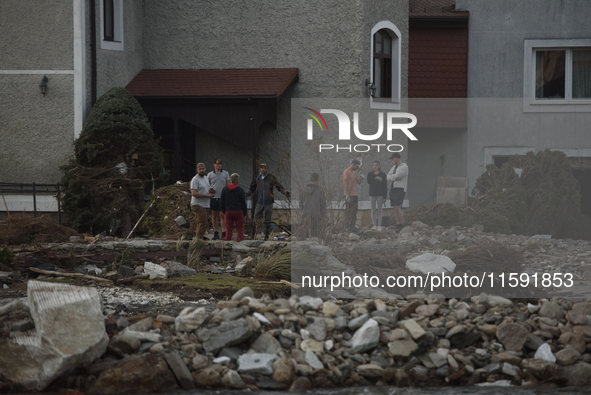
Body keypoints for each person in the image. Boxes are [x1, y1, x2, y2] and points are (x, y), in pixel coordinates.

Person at [246, 163, 290, 241]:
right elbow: (251, 188)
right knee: (256, 218)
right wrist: (246, 194)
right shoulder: (257, 178)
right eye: (262, 168)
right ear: (260, 169)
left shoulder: (271, 178)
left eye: (264, 168)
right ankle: (254, 234)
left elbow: (278, 187)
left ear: (267, 169)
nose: (263, 169)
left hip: (268, 201)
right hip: (260, 201)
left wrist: (285, 192)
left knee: (268, 220)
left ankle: (266, 236)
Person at [207, 158, 230, 240]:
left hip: (222, 197)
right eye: (217, 164)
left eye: (220, 164)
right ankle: (215, 232)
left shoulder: (225, 173)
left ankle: (224, 232)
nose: (219, 165)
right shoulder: (210, 174)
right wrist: (211, 190)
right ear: (214, 164)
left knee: (222, 215)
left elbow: (228, 185)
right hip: (213, 197)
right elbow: (207, 186)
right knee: (214, 214)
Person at [190, 162, 214, 240]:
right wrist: (206, 196)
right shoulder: (195, 179)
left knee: (202, 223)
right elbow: (193, 193)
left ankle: (199, 238)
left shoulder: (206, 178)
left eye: (202, 169)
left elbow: (207, 189)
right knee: (203, 223)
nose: (201, 170)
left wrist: (212, 191)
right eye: (199, 169)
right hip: (198, 204)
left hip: (206, 204)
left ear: (205, 169)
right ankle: (198, 239)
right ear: (197, 170)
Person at [220, 173, 247, 242]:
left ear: (230, 180)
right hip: (239, 211)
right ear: (237, 181)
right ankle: (240, 243)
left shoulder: (225, 189)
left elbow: (222, 202)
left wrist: (224, 210)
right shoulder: (240, 190)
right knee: (240, 229)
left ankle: (227, 243)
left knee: (228, 228)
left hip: (228, 211)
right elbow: (243, 202)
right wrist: (245, 213)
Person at [299, 172, 326, 238]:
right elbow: (322, 204)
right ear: (318, 180)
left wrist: (303, 209)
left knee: (305, 234)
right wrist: (323, 214)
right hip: (316, 214)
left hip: (305, 214)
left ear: (311, 179)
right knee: (315, 234)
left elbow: (301, 202)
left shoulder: (303, 189)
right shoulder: (320, 190)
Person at [386, 153, 408, 232]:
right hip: (393, 188)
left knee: (398, 207)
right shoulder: (394, 167)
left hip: (400, 188)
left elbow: (398, 176)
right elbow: (388, 176)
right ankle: (398, 224)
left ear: (396, 158)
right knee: (395, 208)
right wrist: (394, 177)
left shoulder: (404, 167)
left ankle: (401, 224)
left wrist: (393, 177)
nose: (392, 161)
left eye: (392, 159)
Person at [343, 159, 364, 232]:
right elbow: (345, 183)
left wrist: (361, 177)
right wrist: (347, 195)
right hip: (349, 195)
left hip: (355, 195)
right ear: (353, 164)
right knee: (349, 212)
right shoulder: (346, 171)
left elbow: (358, 182)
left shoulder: (354, 173)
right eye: (357, 166)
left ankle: (352, 227)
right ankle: (348, 227)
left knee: (354, 212)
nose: (357, 168)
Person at [367, 161, 387, 231]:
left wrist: (385, 197)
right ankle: (374, 225)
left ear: (379, 166)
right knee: (373, 210)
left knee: (379, 210)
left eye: (376, 165)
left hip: (380, 195)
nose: (375, 166)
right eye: (373, 165)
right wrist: (374, 174)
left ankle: (379, 225)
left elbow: (385, 186)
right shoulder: (370, 174)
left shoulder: (383, 175)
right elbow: (369, 181)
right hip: (372, 194)